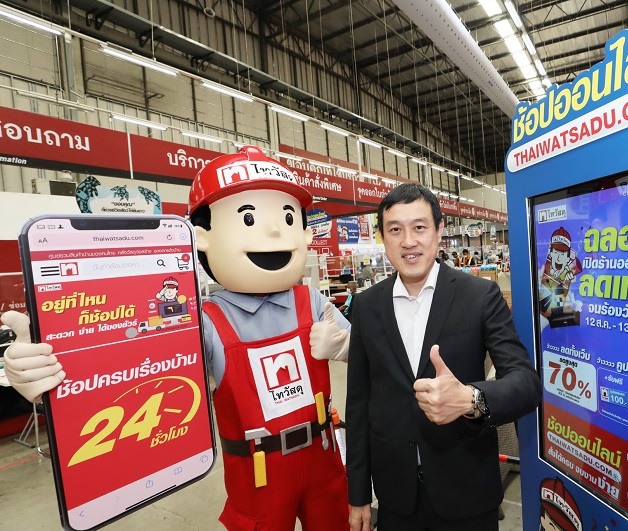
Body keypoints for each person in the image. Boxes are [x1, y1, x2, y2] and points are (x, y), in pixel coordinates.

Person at [2, 146, 351, 531]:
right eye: (249, 218)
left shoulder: (312, 301)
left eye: (287, 217)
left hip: (324, 455)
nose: (274, 231)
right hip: (257, 471)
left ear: (304, 232)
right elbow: (133, 371)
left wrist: (345, 344)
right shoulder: (203, 321)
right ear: (202, 237)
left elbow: (366, 350)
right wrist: (44, 373)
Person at [346, 182, 540, 531]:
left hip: (466, 492)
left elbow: (526, 384)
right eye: (395, 230)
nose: (408, 241)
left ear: (439, 231)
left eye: (419, 227)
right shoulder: (366, 305)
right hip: (395, 497)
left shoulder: (480, 295)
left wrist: (471, 399)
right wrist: (358, 493)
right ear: (383, 237)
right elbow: (358, 403)